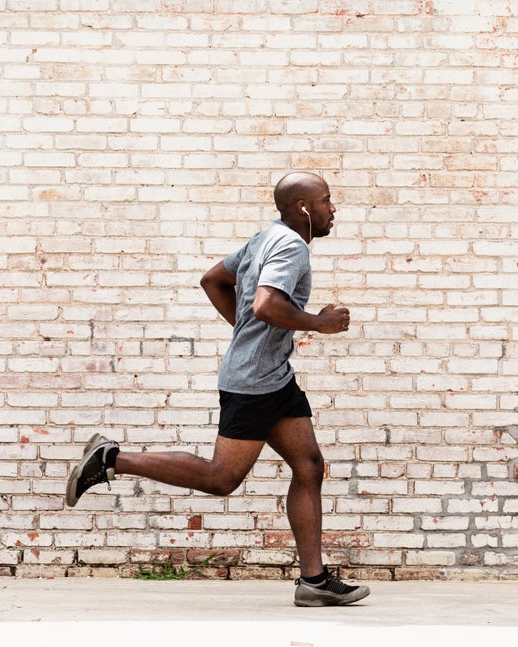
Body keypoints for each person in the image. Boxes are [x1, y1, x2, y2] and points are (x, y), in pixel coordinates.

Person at [65, 172, 370, 607]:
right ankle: (111, 459)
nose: (332, 208)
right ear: (304, 208)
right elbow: (266, 305)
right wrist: (318, 324)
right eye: (326, 200)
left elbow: (213, 280)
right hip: (254, 384)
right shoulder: (289, 247)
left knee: (309, 466)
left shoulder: (265, 237)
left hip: (273, 376)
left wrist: (248, 337)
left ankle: (314, 581)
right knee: (221, 478)